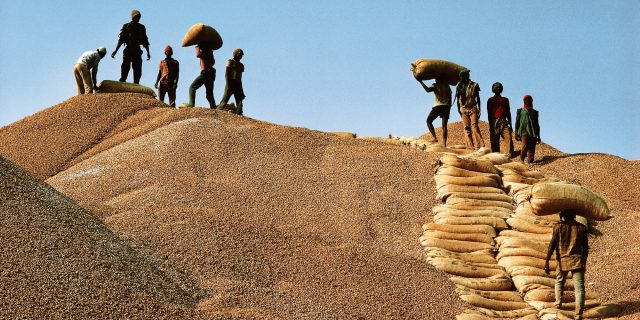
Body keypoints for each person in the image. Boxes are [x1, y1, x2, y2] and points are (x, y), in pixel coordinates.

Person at [544, 210, 589, 320]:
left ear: (562, 216)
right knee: (579, 288)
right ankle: (578, 314)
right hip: (578, 261)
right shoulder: (581, 228)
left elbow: (552, 244)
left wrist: (547, 260)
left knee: (559, 282)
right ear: (574, 215)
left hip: (562, 260)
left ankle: (558, 304)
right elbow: (586, 248)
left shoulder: (558, 227)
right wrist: (584, 261)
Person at [111, 9, 151, 84]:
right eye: (137, 16)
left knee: (137, 68)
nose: (138, 18)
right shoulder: (127, 26)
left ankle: (136, 83)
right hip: (128, 50)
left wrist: (148, 52)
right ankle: (123, 80)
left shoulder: (142, 27)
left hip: (137, 50)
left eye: (139, 17)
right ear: (133, 17)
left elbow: (145, 40)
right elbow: (121, 39)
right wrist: (115, 51)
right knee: (125, 66)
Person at [416, 77, 452, 146]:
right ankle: (444, 144)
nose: (435, 79)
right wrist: (449, 108)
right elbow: (450, 98)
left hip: (437, 106)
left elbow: (427, 90)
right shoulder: (447, 86)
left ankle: (434, 138)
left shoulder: (435, 85)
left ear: (437, 79)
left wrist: (421, 82)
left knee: (428, 121)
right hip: (446, 107)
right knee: (444, 126)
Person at [454, 69, 485, 149]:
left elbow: (478, 98)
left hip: (473, 108)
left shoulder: (474, 85)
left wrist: (480, 110)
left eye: (466, 75)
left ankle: (480, 145)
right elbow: (458, 99)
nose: (464, 77)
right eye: (463, 76)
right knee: (466, 129)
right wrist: (459, 111)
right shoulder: (459, 86)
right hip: (464, 109)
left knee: (474, 126)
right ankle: (471, 147)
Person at [487, 82, 513, 156]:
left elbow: (508, 112)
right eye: (496, 87)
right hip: (494, 121)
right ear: (493, 89)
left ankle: (508, 155)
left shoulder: (505, 100)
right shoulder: (490, 100)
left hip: (504, 121)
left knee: (508, 138)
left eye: (499, 87)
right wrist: (490, 125)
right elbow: (489, 113)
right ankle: (496, 157)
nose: (497, 89)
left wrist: (510, 124)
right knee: (495, 141)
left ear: (501, 89)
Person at [218, 48, 246, 115]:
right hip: (230, 82)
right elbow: (227, 74)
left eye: (242, 55)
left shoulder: (241, 65)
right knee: (224, 101)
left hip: (238, 84)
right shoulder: (230, 61)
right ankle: (217, 110)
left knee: (239, 102)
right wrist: (228, 85)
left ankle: (239, 114)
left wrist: (241, 90)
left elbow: (240, 78)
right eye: (239, 54)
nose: (240, 56)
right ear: (235, 54)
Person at [515, 94, 541, 163]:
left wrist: (538, 136)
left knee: (532, 149)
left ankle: (530, 163)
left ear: (532, 101)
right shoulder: (520, 111)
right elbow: (517, 122)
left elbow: (537, 124)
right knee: (524, 147)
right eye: (526, 100)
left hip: (533, 133)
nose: (528, 101)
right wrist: (516, 133)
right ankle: (522, 160)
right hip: (524, 132)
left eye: (529, 100)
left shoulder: (535, 112)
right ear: (524, 101)